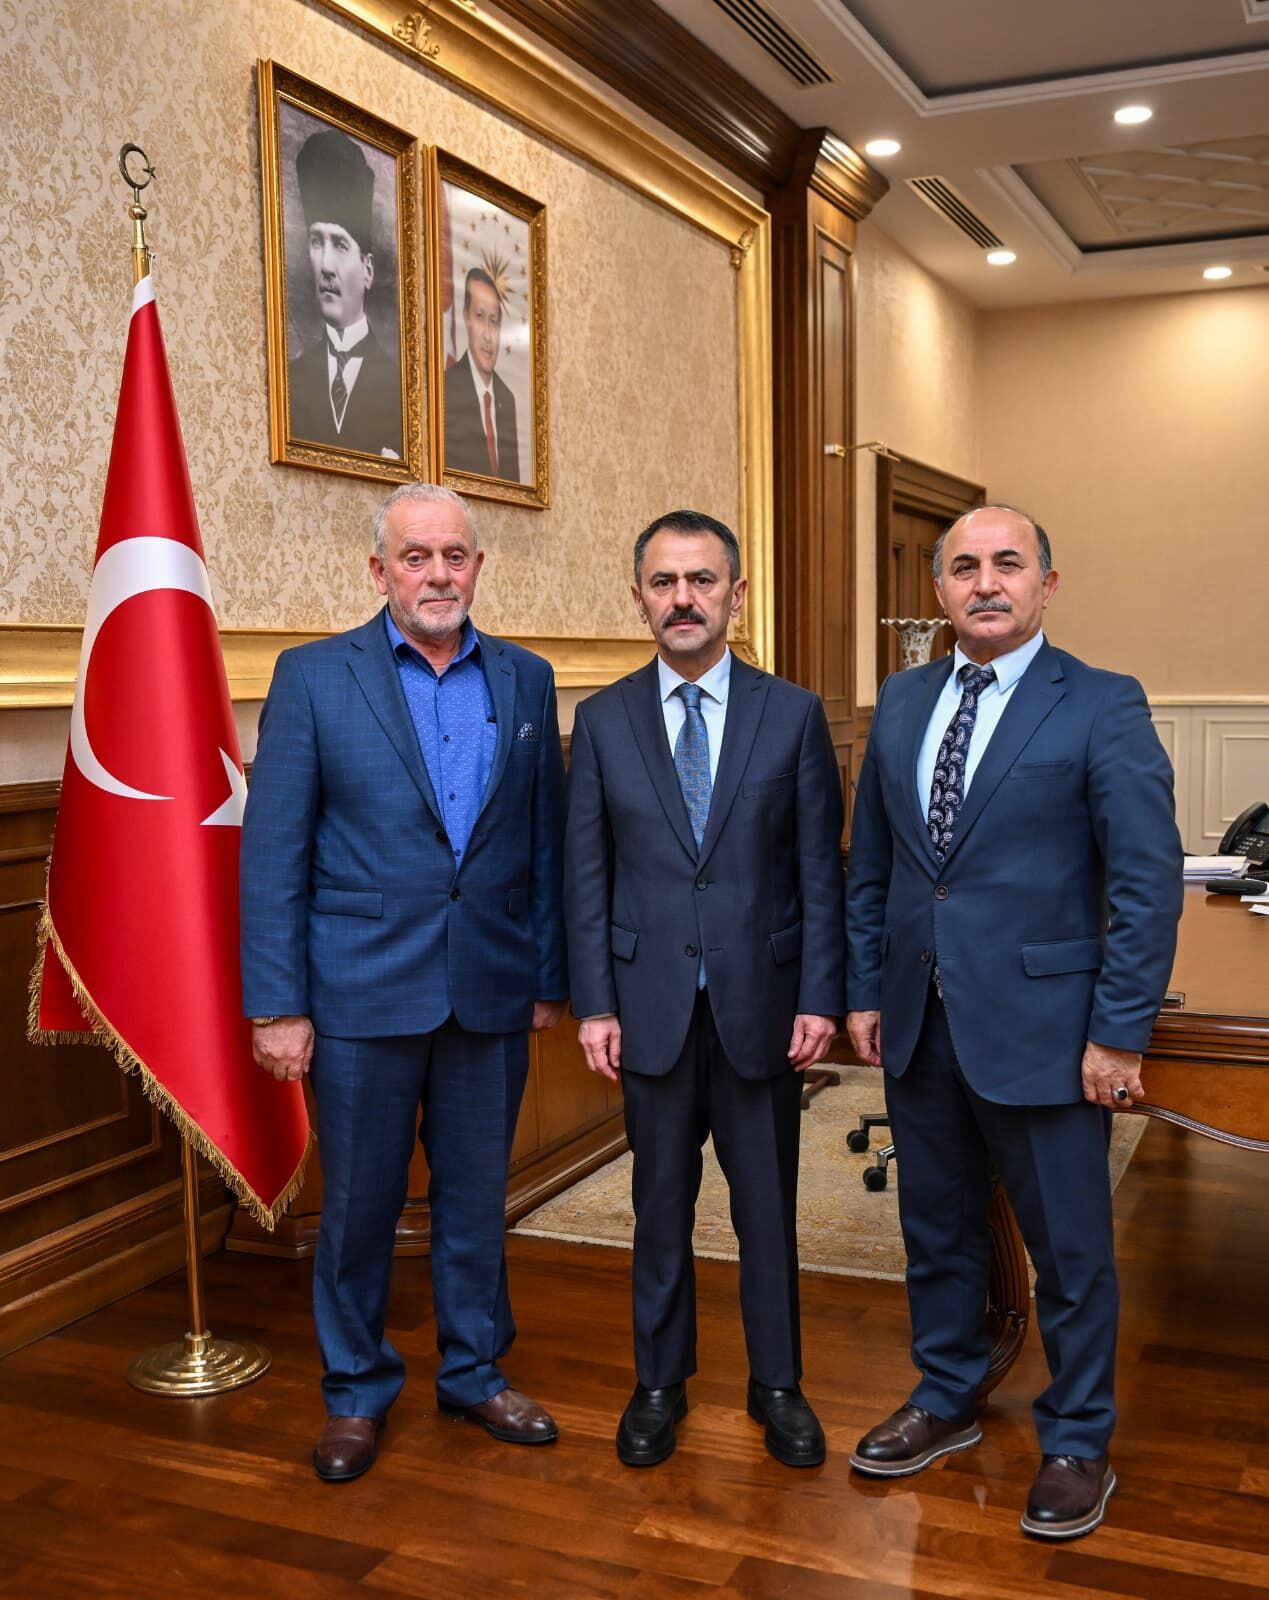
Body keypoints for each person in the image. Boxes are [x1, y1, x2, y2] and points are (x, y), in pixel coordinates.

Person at [845, 504, 1183, 1540]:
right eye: (963, 568)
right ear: (939, 590)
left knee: (1069, 1251)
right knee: (936, 1231)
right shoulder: (900, 701)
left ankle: (1078, 1437)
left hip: (1049, 1025)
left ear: (1046, 582)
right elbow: (874, 869)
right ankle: (946, 1394)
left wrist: (1118, 1032)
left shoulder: (1101, 703)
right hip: (918, 1020)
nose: (984, 582)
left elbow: (1145, 878)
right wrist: (866, 989)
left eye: (1006, 564)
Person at [240, 481, 566, 1482]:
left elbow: (542, 843)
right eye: (415, 557)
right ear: (378, 570)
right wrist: (278, 1002)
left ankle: (473, 1371)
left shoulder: (524, 679)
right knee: (363, 1208)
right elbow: (274, 850)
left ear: (478, 567)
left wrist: (547, 975)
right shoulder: (312, 678)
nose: (437, 573)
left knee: (475, 1200)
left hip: (489, 990)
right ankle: (355, 1392)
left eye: (454, 555)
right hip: (357, 996)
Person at [564, 509, 845, 1469]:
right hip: (646, 1011)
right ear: (638, 596)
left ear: (735, 593)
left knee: (766, 1209)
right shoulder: (600, 722)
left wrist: (818, 994)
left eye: (701, 580)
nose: (682, 599)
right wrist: (594, 1002)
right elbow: (586, 876)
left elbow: (820, 872)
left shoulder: (793, 714)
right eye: (662, 582)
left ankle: (778, 1385)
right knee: (657, 1207)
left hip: (762, 1010)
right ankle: (658, 1384)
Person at [288, 127, 403, 459]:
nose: (325, 264)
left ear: (367, 270)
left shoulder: (399, 391)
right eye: (315, 241)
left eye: (339, 244)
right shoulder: (292, 380)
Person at [443, 268, 522, 481]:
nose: (488, 335)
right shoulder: (445, 389)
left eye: (494, 322)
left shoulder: (507, 399)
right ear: (466, 318)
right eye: (480, 317)